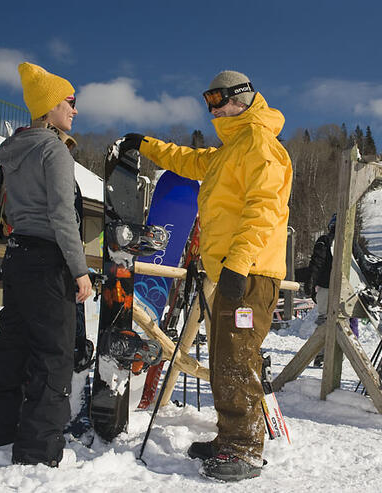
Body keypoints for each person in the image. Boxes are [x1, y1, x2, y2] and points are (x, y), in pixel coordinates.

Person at [112, 70, 292, 481]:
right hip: (229, 269)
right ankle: (229, 436)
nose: (213, 108)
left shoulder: (261, 145)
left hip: (249, 271)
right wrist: (146, 145)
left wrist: (237, 264)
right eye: (207, 100)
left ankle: (244, 448)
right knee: (224, 355)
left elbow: (263, 210)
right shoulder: (231, 150)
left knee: (238, 356)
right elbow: (188, 161)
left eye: (218, 98)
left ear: (241, 97)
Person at [0, 62, 93, 467]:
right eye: (69, 102)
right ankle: (38, 451)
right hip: (47, 259)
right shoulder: (54, 151)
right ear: (48, 106)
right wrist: (79, 269)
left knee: (12, 345)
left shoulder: (16, 151)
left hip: (18, 255)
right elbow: (62, 216)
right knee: (53, 353)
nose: (75, 110)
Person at [306, 214, 359, 366]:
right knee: (343, 321)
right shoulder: (351, 243)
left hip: (326, 286)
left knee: (324, 319)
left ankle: (322, 353)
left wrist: (311, 283)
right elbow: (360, 264)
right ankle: (340, 353)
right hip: (346, 288)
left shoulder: (324, 241)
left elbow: (316, 263)